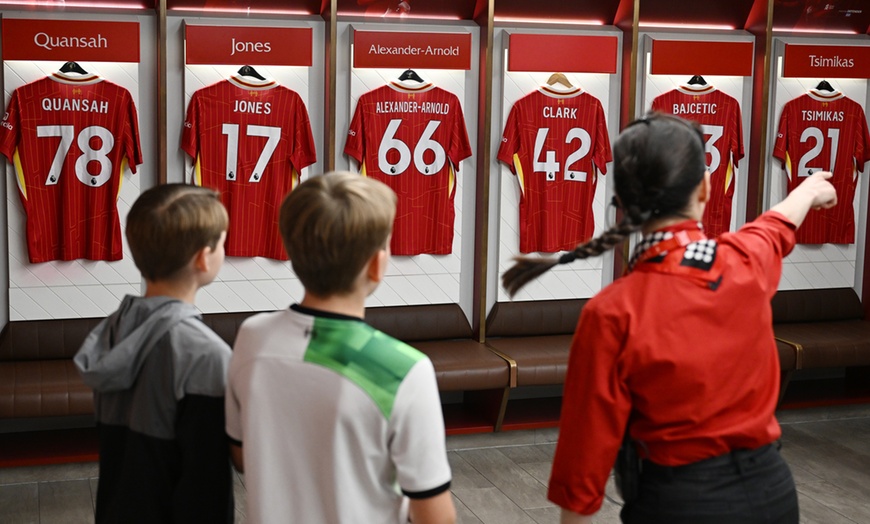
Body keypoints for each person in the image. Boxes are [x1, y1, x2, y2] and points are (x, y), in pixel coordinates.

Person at [503, 113, 837, 524]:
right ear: (706, 189)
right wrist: (809, 191)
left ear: (623, 204)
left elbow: (584, 461)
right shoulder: (744, 261)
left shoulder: (612, 312)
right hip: (772, 494)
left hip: (676, 503)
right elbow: (776, 226)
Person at [225, 171, 456, 524]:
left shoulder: (252, 338)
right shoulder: (403, 369)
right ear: (377, 265)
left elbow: (241, 455)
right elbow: (435, 516)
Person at [74, 184, 233, 523]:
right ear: (203, 258)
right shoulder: (206, 355)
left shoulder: (113, 331)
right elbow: (205, 482)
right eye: (222, 241)